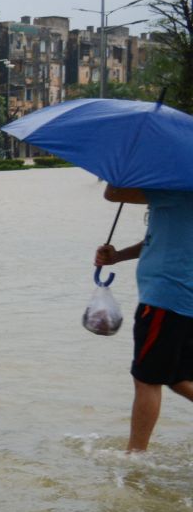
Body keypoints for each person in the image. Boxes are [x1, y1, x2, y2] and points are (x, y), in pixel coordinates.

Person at [94, 184, 193, 452]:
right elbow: (157, 238)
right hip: (180, 301)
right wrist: (118, 256)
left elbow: (113, 193)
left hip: (166, 300)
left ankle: (134, 457)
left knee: (147, 379)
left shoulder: (175, 190)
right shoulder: (177, 193)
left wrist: (123, 165)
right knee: (178, 377)